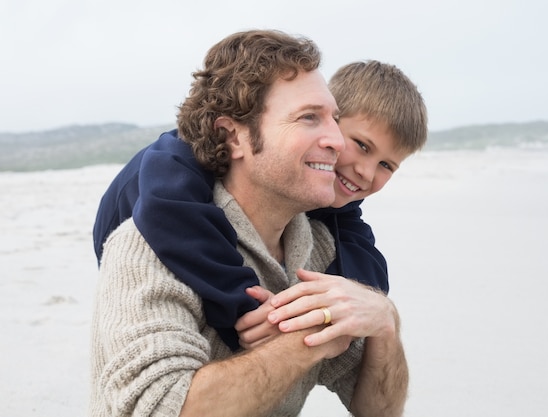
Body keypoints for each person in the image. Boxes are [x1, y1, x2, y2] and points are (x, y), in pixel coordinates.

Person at [91, 29, 413, 417]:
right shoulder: (148, 244)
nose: (336, 142)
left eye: (334, 120)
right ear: (233, 136)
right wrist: (306, 334)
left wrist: (383, 319)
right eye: (309, 118)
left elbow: (378, 410)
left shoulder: (324, 247)